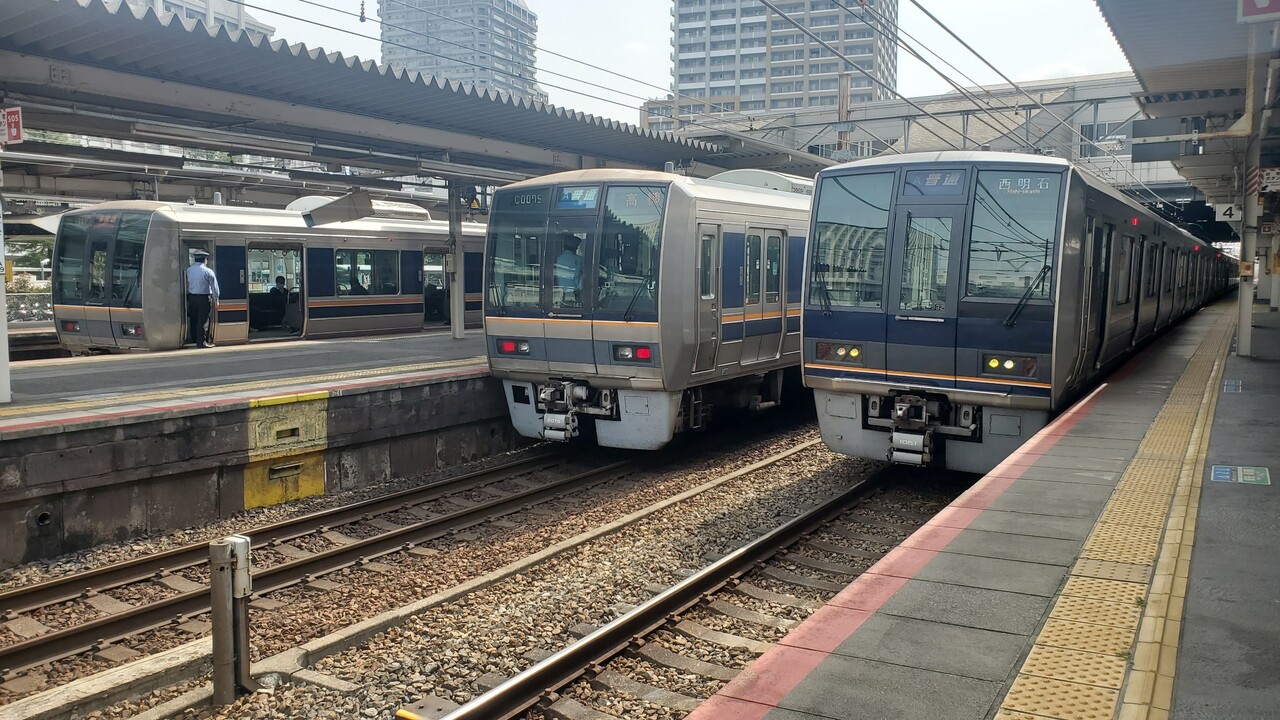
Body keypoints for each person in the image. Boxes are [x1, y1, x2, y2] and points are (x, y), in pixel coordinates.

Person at [185, 250, 220, 348]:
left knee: (194, 319)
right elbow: (214, 287)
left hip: (192, 298)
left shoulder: (189, 270)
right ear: (205, 260)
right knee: (203, 321)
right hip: (204, 298)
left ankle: (194, 339)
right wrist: (216, 299)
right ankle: (201, 342)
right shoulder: (208, 271)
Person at [554, 233, 583, 304]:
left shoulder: (558, 259)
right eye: (577, 247)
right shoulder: (579, 259)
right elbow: (583, 276)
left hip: (560, 292)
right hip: (575, 292)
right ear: (574, 248)